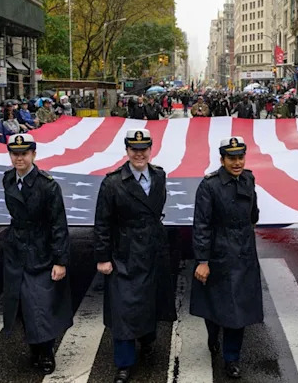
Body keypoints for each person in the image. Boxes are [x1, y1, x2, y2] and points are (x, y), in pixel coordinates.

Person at [93, 129, 175, 383]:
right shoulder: (113, 182)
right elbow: (102, 223)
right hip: (124, 253)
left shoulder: (159, 176)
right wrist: (103, 257)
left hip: (154, 250)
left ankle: (148, 341)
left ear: (151, 150)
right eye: (134, 149)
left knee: (151, 301)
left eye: (144, 149)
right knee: (123, 308)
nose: (139, 154)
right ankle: (124, 363)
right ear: (127, 151)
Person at [0, 133, 72, 374]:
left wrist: (60, 260)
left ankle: (46, 351)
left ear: (33, 154)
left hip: (41, 250)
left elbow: (58, 224)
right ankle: (34, 346)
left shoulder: (47, 185)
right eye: (15, 153)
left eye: (24, 153)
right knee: (19, 303)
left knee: (40, 303)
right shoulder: (8, 179)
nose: (19, 158)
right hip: (15, 250)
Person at [191, 136, 261, 379]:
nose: (237, 162)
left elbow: (253, 213)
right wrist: (202, 260)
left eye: (240, 157)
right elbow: (201, 224)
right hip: (219, 252)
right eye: (232, 158)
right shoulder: (209, 186)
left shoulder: (249, 179)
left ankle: (232, 358)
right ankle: (213, 335)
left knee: (238, 308)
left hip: (243, 253)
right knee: (216, 305)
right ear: (222, 160)